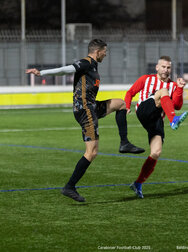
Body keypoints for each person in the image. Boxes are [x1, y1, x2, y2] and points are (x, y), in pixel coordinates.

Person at [26, 39, 144, 202]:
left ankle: (124, 143)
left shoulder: (93, 65)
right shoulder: (86, 62)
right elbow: (66, 70)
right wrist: (42, 73)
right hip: (85, 110)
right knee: (92, 152)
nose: (106, 54)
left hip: (91, 106)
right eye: (105, 51)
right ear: (97, 51)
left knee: (121, 104)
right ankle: (70, 186)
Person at [124, 55, 188, 199]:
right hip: (144, 110)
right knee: (163, 92)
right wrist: (127, 106)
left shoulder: (172, 85)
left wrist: (179, 88)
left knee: (156, 152)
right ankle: (173, 121)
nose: (166, 70)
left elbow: (177, 105)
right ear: (157, 67)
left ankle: (138, 183)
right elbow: (130, 92)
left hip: (155, 120)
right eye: (163, 67)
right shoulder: (146, 79)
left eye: (168, 67)